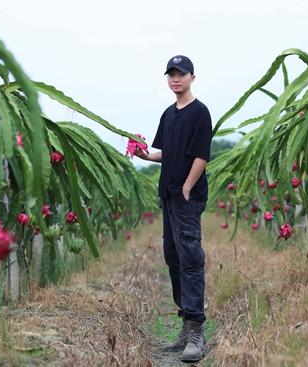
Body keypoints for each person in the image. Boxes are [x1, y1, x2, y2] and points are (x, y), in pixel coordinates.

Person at [134, 54, 212, 362]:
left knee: (191, 258)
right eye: (171, 74)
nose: (175, 79)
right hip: (168, 195)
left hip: (186, 197)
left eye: (181, 74)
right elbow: (165, 153)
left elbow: (201, 156)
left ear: (193, 77)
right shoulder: (168, 115)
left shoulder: (200, 112)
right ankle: (184, 327)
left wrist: (187, 187)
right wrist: (144, 156)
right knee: (174, 257)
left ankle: (196, 331)